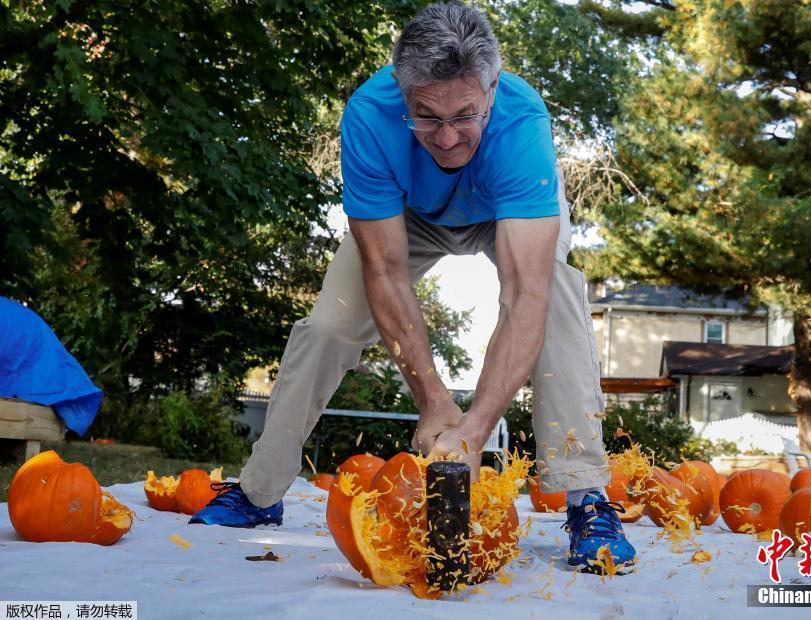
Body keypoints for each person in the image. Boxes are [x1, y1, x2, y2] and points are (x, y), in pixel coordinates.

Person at [191, 1, 636, 572]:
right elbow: (385, 272)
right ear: (403, 95)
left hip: (501, 214)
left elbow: (526, 295)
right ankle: (259, 491)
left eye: (466, 116)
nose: (448, 139)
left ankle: (586, 499)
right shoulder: (369, 116)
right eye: (427, 116)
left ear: (493, 90)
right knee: (329, 323)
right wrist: (432, 402)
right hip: (410, 217)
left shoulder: (522, 125)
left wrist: (474, 431)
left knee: (558, 300)